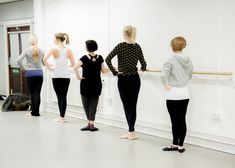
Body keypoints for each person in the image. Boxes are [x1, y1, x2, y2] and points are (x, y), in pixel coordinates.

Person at [105, 25, 147, 140]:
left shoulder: (121, 46)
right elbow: (144, 65)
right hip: (135, 79)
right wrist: (140, 70)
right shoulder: (137, 47)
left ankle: (131, 131)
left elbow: (108, 59)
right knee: (133, 106)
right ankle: (131, 132)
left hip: (123, 79)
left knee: (126, 105)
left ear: (125, 33)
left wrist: (114, 72)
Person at [161, 36, 193, 153]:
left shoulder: (170, 60)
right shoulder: (188, 60)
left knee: (174, 121)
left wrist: (166, 85)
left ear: (172, 46)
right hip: (185, 93)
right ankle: (180, 146)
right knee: (182, 119)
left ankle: (174, 144)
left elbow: (163, 75)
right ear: (183, 46)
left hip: (173, 94)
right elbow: (190, 76)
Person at [74, 40, 109, 131]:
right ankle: (91, 124)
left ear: (87, 47)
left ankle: (89, 123)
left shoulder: (84, 58)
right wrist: (112, 68)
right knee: (93, 104)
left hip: (86, 84)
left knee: (86, 104)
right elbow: (104, 70)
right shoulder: (100, 58)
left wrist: (78, 77)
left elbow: (75, 67)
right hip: (97, 84)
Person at [43, 33, 75, 123]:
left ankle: (61, 118)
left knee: (59, 96)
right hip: (66, 75)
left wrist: (50, 68)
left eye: (54, 38)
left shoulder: (54, 49)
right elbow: (73, 64)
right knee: (63, 96)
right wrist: (65, 65)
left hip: (56, 74)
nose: (53, 40)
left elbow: (44, 59)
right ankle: (62, 117)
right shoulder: (68, 50)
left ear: (57, 39)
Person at [17, 35, 44, 117]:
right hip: (39, 73)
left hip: (30, 73)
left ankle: (33, 112)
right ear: (37, 41)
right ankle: (37, 113)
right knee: (37, 93)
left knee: (32, 94)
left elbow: (18, 60)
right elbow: (43, 63)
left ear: (30, 41)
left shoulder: (26, 50)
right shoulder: (41, 51)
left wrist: (23, 68)